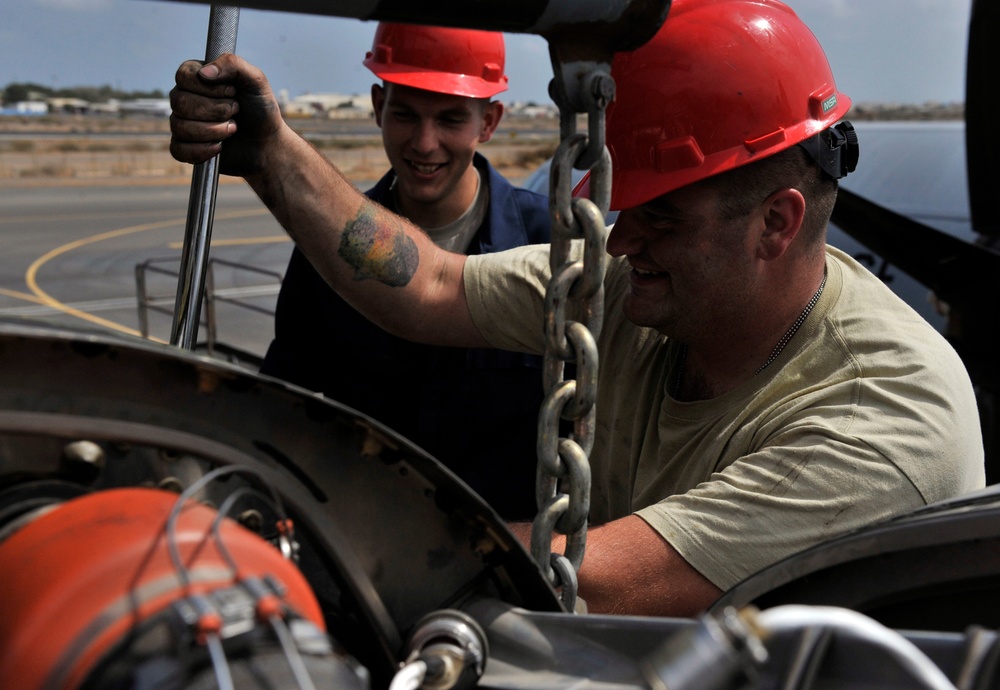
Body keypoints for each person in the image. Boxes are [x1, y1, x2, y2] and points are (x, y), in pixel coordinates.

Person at [169, 0, 985, 618]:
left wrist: (303, 548)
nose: (622, 244)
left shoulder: (883, 422)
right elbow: (435, 286)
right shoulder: (650, 288)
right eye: (621, 209)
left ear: (777, 222)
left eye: (659, 215)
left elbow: (583, 573)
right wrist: (271, 151)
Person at [258, 23, 552, 520]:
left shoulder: (548, 241)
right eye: (405, 114)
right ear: (378, 105)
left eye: (452, 119)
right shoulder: (329, 247)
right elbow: (285, 404)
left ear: (490, 121)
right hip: (364, 549)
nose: (425, 143)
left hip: (508, 560)